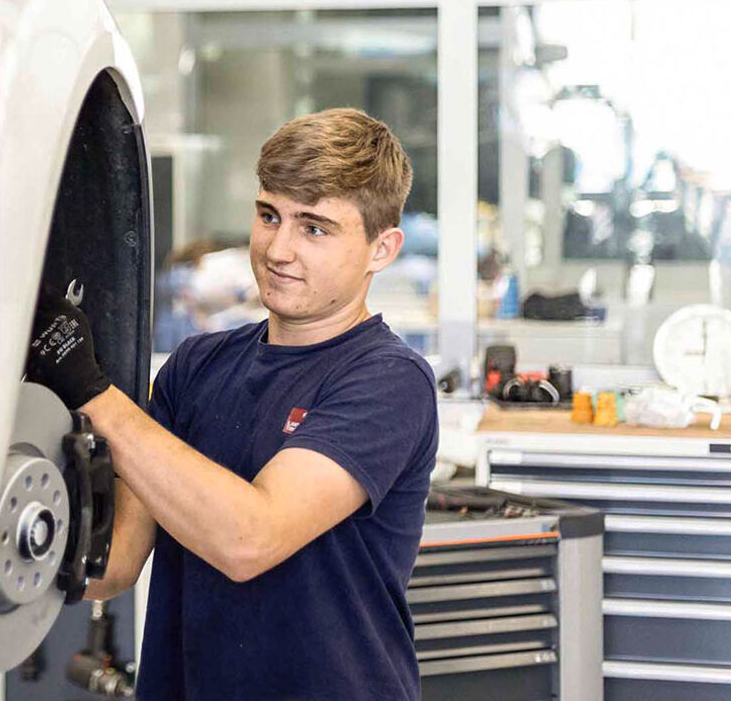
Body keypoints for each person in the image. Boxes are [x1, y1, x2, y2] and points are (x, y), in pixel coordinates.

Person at [26, 108, 438, 701]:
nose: (279, 249)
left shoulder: (388, 380)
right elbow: (112, 567)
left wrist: (87, 387)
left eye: (314, 228)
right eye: (269, 215)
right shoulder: (197, 367)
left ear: (383, 248)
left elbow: (250, 540)